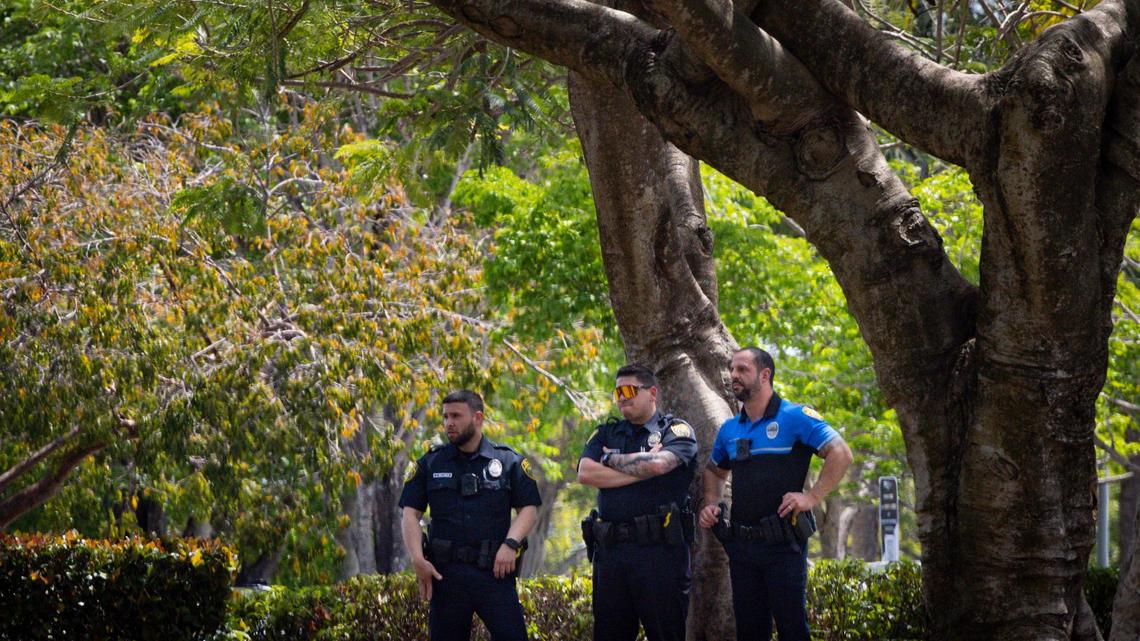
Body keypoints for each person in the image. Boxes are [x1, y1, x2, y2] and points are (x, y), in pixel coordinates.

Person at [699, 347, 853, 641]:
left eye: (742, 369)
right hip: (742, 547)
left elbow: (841, 453)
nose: (733, 376)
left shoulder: (795, 416)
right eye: (732, 369)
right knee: (750, 632)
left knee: (792, 630)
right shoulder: (730, 429)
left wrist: (811, 497)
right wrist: (712, 504)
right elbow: (714, 472)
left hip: (784, 546)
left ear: (765, 374)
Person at [399, 389, 541, 641]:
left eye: (456, 416)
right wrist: (417, 559)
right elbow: (410, 513)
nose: (448, 423)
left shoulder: (507, 461)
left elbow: (529, 508)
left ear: (477, 418)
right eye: (445, 417)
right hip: (446, 576)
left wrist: (510, 544)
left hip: (494, 575)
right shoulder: (430, 464)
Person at [577, 364, 699, 641]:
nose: (622, 397)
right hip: (611, 554)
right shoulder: (606, 434)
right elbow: (585, 473)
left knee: (666, 633)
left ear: (652, 392)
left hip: (661, 555)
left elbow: (658, 465)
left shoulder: (675, 431)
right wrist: (639, 470)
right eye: (617, 392)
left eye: (629, 390)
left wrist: (609, 460)